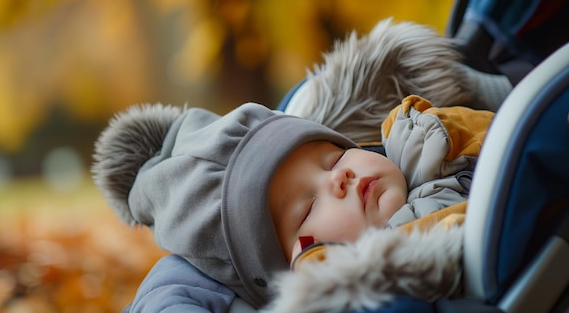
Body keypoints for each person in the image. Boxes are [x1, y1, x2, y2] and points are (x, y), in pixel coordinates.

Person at [92, 93, 493, 312]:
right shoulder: (356, 293)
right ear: (294, 264)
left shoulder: (433, 146)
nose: (339, 178)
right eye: (308, 208)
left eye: (333, 157)